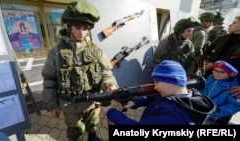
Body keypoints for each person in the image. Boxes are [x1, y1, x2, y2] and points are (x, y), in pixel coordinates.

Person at [42, 0, 118, 141]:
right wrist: (51, 105)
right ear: (69, 26)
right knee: (76, 131)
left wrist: (109, 84)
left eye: (85, 28)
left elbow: (106, 71)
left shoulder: (95, 50)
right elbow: (49, 79)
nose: (82, 32)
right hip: (71, 105)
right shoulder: (56, 53)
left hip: (93, 102)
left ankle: (93, 137)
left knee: (93, 126)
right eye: (77, 28)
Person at [101, 60, 215, 125]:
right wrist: (135, 102)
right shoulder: (183, 95)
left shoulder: (174, 115)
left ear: (172, 81)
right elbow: (156, 99)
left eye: (157, 82)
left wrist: (111, 111)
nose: (155, 86)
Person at [203, 16, 240, 99]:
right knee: (205, 92)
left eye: (234, 23)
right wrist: (206, 60)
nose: (230, 24)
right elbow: (207, 49)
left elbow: (235, 60)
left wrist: (214, 64)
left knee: (218, 98)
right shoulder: (223, 37)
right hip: (211, 72)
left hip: (229, 79)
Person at [199, 60, 240, 124]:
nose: (217, 73)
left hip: (215, 118)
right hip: (200, 110)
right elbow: (201, 89)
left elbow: (235, 105)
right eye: (215, 70)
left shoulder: (233, 89)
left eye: (222, 72)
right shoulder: (210, 79)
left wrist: (216, 114)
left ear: (230, 74)